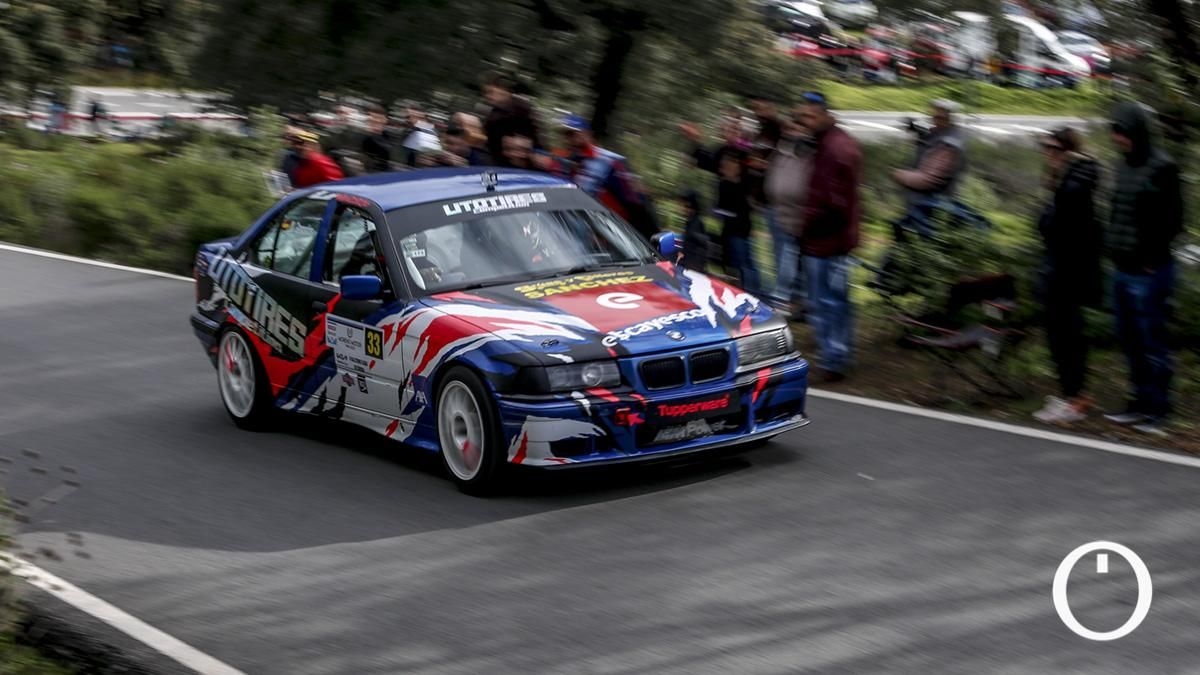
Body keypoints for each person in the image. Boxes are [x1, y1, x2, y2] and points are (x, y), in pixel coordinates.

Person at [1102, 101, 1185, 435]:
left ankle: (1159, 410)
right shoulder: (1123, 166)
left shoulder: (1162, 167)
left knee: (1153, 343)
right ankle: (1137, 402)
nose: (1117, 140)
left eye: (1121, 134)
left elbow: (1174, 219)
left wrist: (1152, 258)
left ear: (1136, 132)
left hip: (1149, 271)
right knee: (1130, 341)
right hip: (1122, 268)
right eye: (1115, 134)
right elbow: (1116, 212)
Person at [1031, 127, 1102, 425]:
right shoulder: (1064, 178)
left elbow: (1067, 208)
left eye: (1054, 148)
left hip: (1071, 271)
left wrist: (1066, 166)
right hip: (1057, 267)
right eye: (1046, 148)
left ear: (1068, 150)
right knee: (1057, 335)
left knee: (1069, 336)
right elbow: (1048, 222)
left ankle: (1075, 398)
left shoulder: (1081, 173)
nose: (1048, 154)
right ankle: (1069, 394)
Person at [797, 92, 862, 383]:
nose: (805, 122)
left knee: (828, 302)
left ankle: (833, 360)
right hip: (831, 239)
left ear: (824, 114)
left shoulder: (835, 149)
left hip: (828, 242)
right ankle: (838, 355)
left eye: (810, 116)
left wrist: (809, 229)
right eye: (803, 116)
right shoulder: (829, 143)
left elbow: (834, 202)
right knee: (835, 301)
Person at [557, 114, 657, 240]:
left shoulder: (610, 162)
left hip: (615, 239)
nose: (567, 140)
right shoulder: (565, 164)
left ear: (586, 134)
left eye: (572, 134)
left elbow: (636, 203)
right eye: (565, 135)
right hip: (576, 238)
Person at [766, 109, 815, 318]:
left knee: (793, 261)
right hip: (781, 213)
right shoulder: (783, 150)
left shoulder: (810, 154)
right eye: (790, 127)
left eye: (797, 128)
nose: (792, 131)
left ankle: (787, 300)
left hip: (801, 216)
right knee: (785, 259)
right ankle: (791, 300)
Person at [891, 99, 968, 221]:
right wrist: (917, 132)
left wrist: (902, 175)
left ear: (950, 118)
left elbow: (931, 179)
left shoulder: (949, 144)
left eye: (940, 117)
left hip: (933, 202)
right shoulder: (942, 133)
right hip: (929, 200)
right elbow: (930, 140)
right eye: (934, 115)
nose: (935, 119)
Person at [716, 146, 760, 294]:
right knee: (737, 264)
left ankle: (754, 292)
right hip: (729, 231)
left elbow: (742, 209)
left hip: (741, 231)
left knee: (746, 265)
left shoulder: (742, 185)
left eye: (732, 163)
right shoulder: (723, 184)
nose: (728, 167)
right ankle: (743, 291)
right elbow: (721, 207)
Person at [482, 72, 541, 165]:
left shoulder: (523, 107)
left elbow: (536, 134)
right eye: (486, 93)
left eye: (490, 92)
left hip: (524, 161)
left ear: (503, 90)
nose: (488, 96)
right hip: (499, 162)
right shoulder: (492, 115)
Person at [677, 189, 710, 272]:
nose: (682, 207)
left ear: (690, 205)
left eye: (684, 205)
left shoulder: (695, 223)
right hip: (690, 264)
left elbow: (695, 246)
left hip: (692, 267)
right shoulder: (691, 220)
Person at [360, 104, 393, 173]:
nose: (377, 120)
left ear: (386, 120)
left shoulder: (390, 137)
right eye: (374, 117)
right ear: (369, 119)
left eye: (380, 118)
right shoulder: (364, 138)